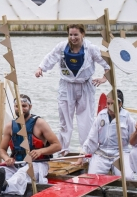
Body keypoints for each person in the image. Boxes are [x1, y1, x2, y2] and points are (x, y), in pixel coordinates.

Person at [35, 24, 110, 155]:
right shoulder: (62, 47)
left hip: (85, 85)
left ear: (83, 34)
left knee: (86, 121)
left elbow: (107, 63)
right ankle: (63, 151)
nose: (73, 37)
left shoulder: (91, 49)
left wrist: (104, 78)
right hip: (66, 85)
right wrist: (41, 68)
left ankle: (86, 152)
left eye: (76, 34)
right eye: (70, 34)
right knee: (65, 121)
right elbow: (50, 57)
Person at [79, 90, 136, 177]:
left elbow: (135, 140)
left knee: (128, 178)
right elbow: (92, 139)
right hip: (102, 153)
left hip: (120, 154)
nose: (109, 107)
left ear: (120, 104)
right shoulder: (101, 116)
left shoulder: (127, 118)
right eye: (108, 103)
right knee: (92, 177)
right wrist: (82, 155)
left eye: (112, 104)